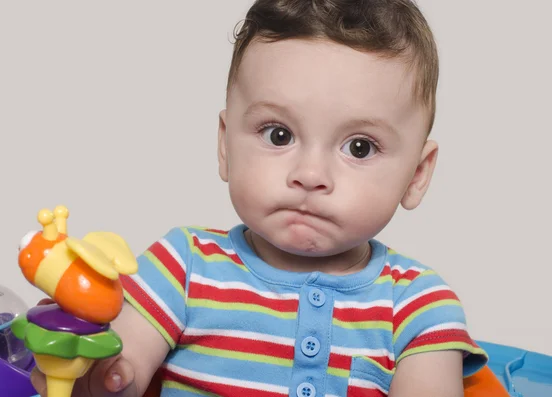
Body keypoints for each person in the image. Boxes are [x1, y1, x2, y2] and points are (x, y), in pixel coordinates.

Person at [31, 0, 488, 396]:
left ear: (417, 174)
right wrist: (88, 373)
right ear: (226, 144)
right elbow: (121, 372)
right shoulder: (182, 266)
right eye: (279, 134)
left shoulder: (419, 303)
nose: (310, 175)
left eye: (359, 147)